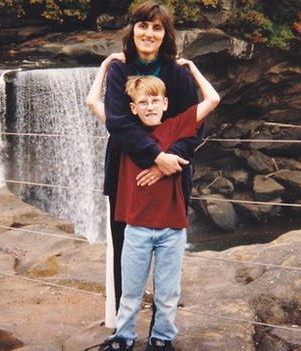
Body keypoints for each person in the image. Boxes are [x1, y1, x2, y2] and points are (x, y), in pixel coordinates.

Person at [89, 0, 204, 340]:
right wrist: (155, 157)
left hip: (174, 173)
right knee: (126, 253)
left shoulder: (178, 73)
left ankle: (160, 330)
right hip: (127, 172)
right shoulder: (120, 70)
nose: (149, 33)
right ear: (133, 29)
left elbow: (195, 125)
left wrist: (168, 163)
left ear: (165, 34)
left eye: (157, 28)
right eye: (143, 26)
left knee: (167, 261)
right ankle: (124, 333)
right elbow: (119, 124)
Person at [97, 66, 219, 350]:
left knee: (167, 293)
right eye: (143, 102)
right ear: (133, 107)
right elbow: (93, 103)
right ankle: (123, 337)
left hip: (172, 229)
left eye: (155, 101)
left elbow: (212, 99)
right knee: (130, 292)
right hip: (137, 229)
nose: (149, 106)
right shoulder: (126, 134)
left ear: (165, 103)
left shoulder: (176, 126)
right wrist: (105, 67)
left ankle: (162, 338)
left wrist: (192, 70)